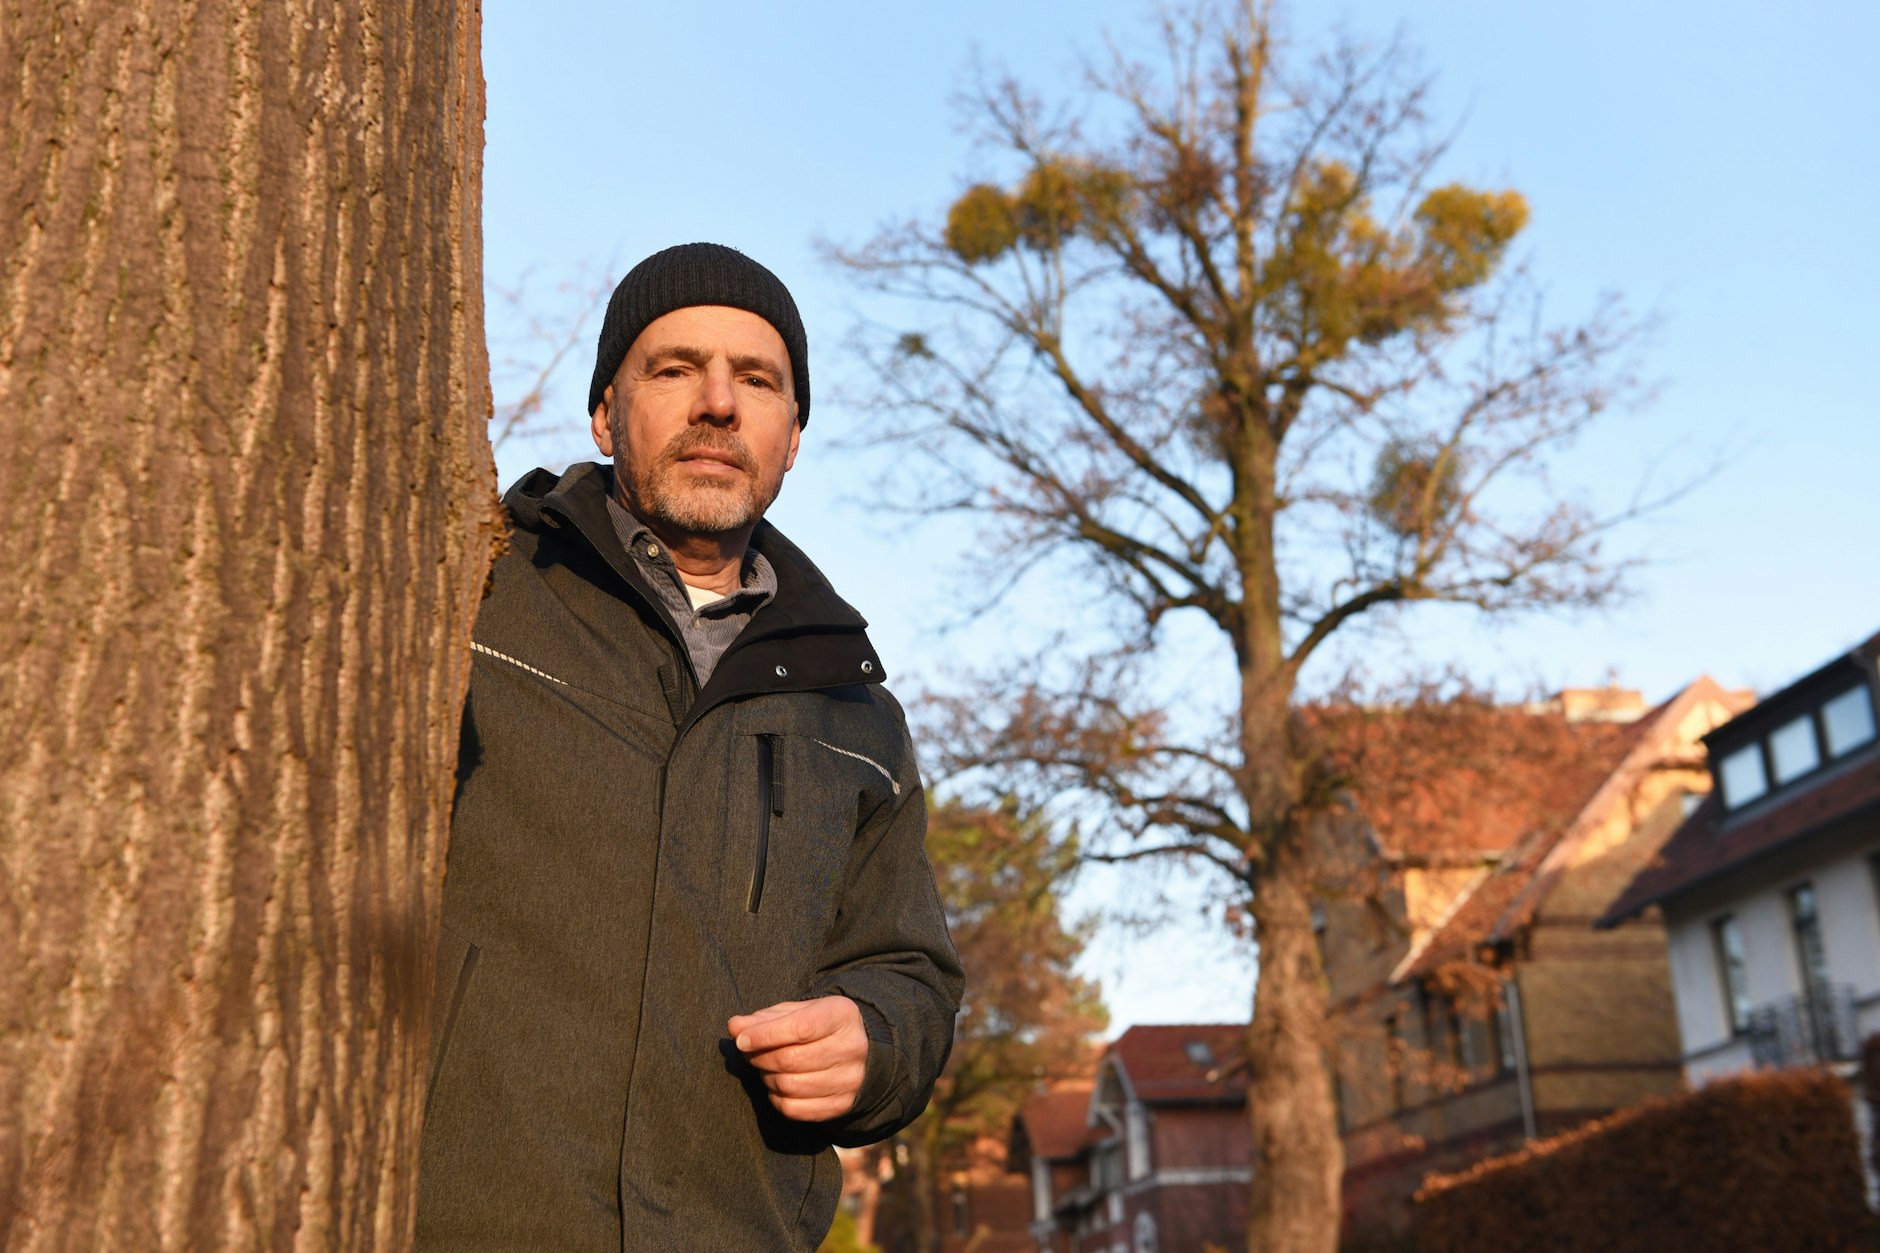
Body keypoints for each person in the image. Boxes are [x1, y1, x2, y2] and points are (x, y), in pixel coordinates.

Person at [414, 243, 962, 1250]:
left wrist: (875, 1039)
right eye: (674, 368)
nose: (717, 403)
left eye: (756, 380)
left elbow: (909, 972)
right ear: (604, 413)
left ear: (791, 438)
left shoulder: (856, 710)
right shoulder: (471, 594)